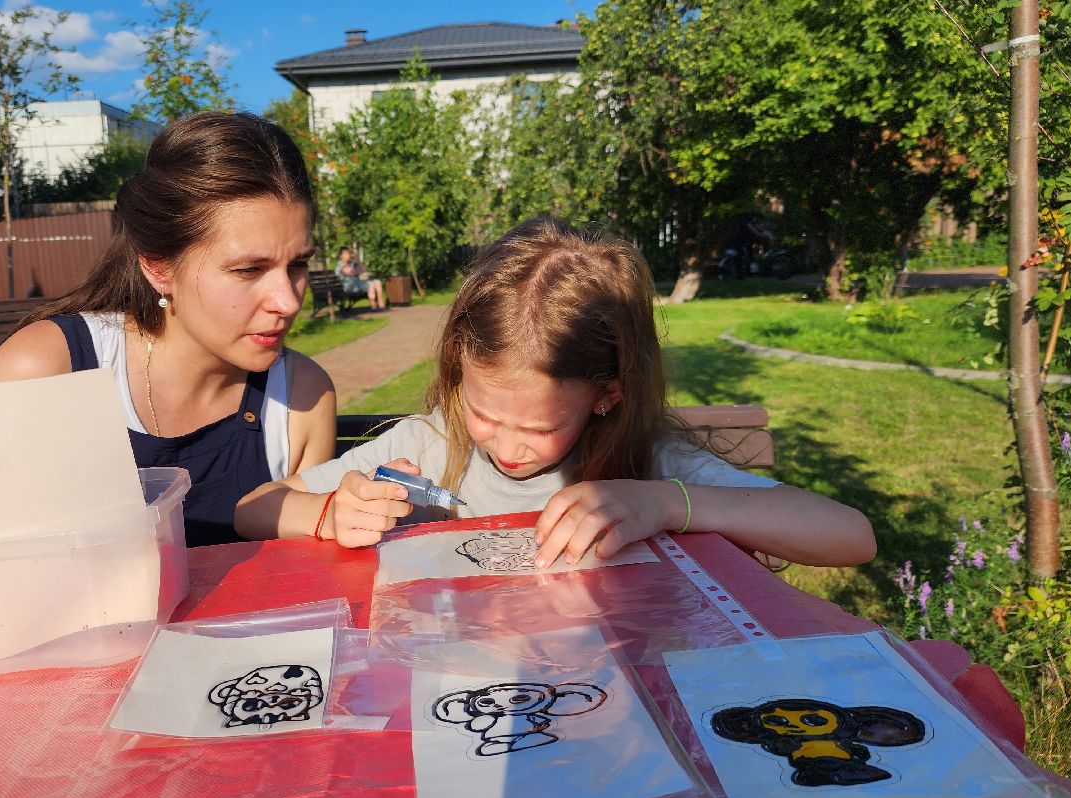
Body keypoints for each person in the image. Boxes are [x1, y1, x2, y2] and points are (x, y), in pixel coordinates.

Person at [234, 216, 874, 569]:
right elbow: (251, 510)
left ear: (606, 396)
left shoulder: (643, 465)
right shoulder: (433, 444)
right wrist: (330, 514)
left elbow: (850, 537)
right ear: (459, 370)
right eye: (483, 412)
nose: (507, 447)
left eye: (541, 429)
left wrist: (665, 504)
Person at [0, 111, 337, 547]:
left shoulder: (301, 397)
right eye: (247, 270)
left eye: (297, 265)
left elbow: (307, 585)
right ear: (159, 268)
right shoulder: (48, 369)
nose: (289, 301)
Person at [335, 246, 386, 310]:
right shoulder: (340, 265)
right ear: (341, 256)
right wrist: (358, 272)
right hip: (350, 286)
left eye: (349, 252)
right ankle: (373, 305)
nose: (348, 254)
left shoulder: (351, 264)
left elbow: (363, 270)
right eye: (346, 253)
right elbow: (351, 273)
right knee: (370, 284)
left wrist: (357, 259)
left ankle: (380, 302)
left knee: (377, 282)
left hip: (358, 283)